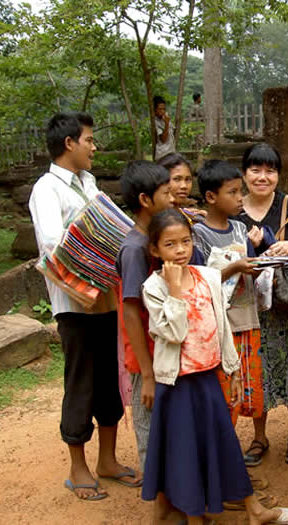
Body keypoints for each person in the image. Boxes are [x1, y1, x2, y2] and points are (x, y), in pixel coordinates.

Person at [140, 209, 288, 525]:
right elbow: (174, 333)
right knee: (186, 452)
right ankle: (196, 516)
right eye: (170, 244)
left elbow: (222, 327)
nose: (180, 250)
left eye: (185, 241)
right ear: (154, 249)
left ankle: (253, 510)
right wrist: (175, 291)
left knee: (224, 444)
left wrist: (233, 369)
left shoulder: (208, 277)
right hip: (178, 384)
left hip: (209, 377)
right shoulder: (154, 288)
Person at [29, 112, 141, 501]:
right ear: (69, 143)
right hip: (74, 306)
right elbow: (52, 244)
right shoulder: (47, 189)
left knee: (110, 379)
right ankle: (78, 467)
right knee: (81, 382)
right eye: (89, 140)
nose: (94, 147)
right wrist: (105, 242)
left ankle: (107, 460)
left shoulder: (89, 183)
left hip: (108, 299)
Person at [236, 143, 288, 466]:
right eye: (255, 170)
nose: (262, 177)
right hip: (250, 304)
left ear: (278, 175)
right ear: (244, 173)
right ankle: (259, 436)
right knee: (257, 368)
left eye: (270, 171)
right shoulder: (234, 209)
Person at [192, 160, 265, 424]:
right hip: (219, 324)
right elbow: (198, 279)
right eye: (232, 192)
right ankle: (224, 444)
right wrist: (234, 267)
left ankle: (251, 439)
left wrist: (261, 266)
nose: (240, 198)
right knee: (225, 391)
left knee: (249, 388)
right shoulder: (197, 234)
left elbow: (252, 266)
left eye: (240, 191)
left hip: (247, 318)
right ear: (211, 197)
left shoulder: (240, 229)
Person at [115, 160, 175, 482]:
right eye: (166, 193)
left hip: (161, 351)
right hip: (145, 359)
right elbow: (130, 311)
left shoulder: (153, 239)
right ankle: (158, 496)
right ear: (145, 200)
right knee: (150, 426)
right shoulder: (134, 249)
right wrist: (148, 374)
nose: (173, 198)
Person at [153, 95, 175, 160]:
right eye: (160, 109)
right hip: (163, 154)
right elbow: (163, 140)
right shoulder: (155, 122)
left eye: (164, 109)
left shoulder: (165, 118)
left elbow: (173, 131)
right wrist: (167, 123)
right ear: (155, 110)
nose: (162, 111)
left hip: (171, 152)